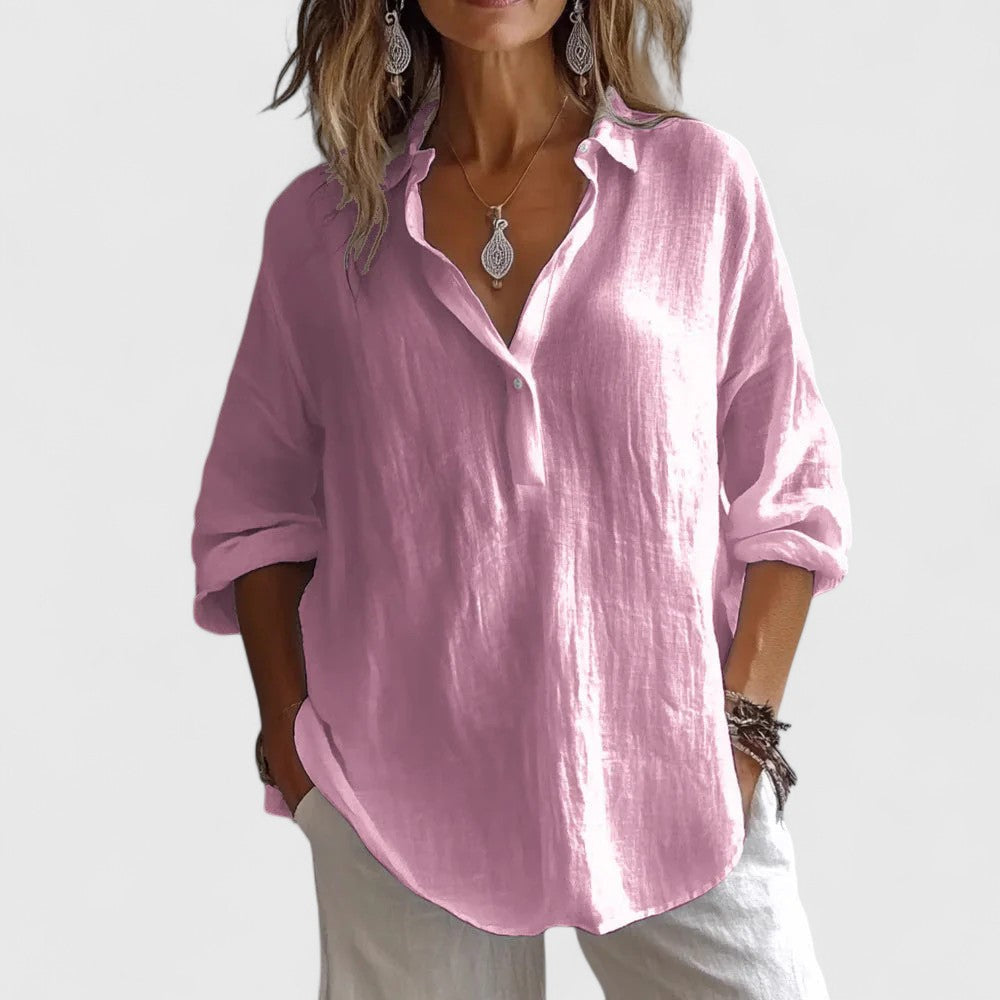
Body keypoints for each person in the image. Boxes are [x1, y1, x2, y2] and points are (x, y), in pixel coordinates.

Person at [191, 0, 852, 996]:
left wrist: (742, 733)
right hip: (399, 800)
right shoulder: (322, 227)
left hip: (672, 771)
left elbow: (790, 484)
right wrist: (296, 750)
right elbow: (256, 511)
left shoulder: (700, 184)